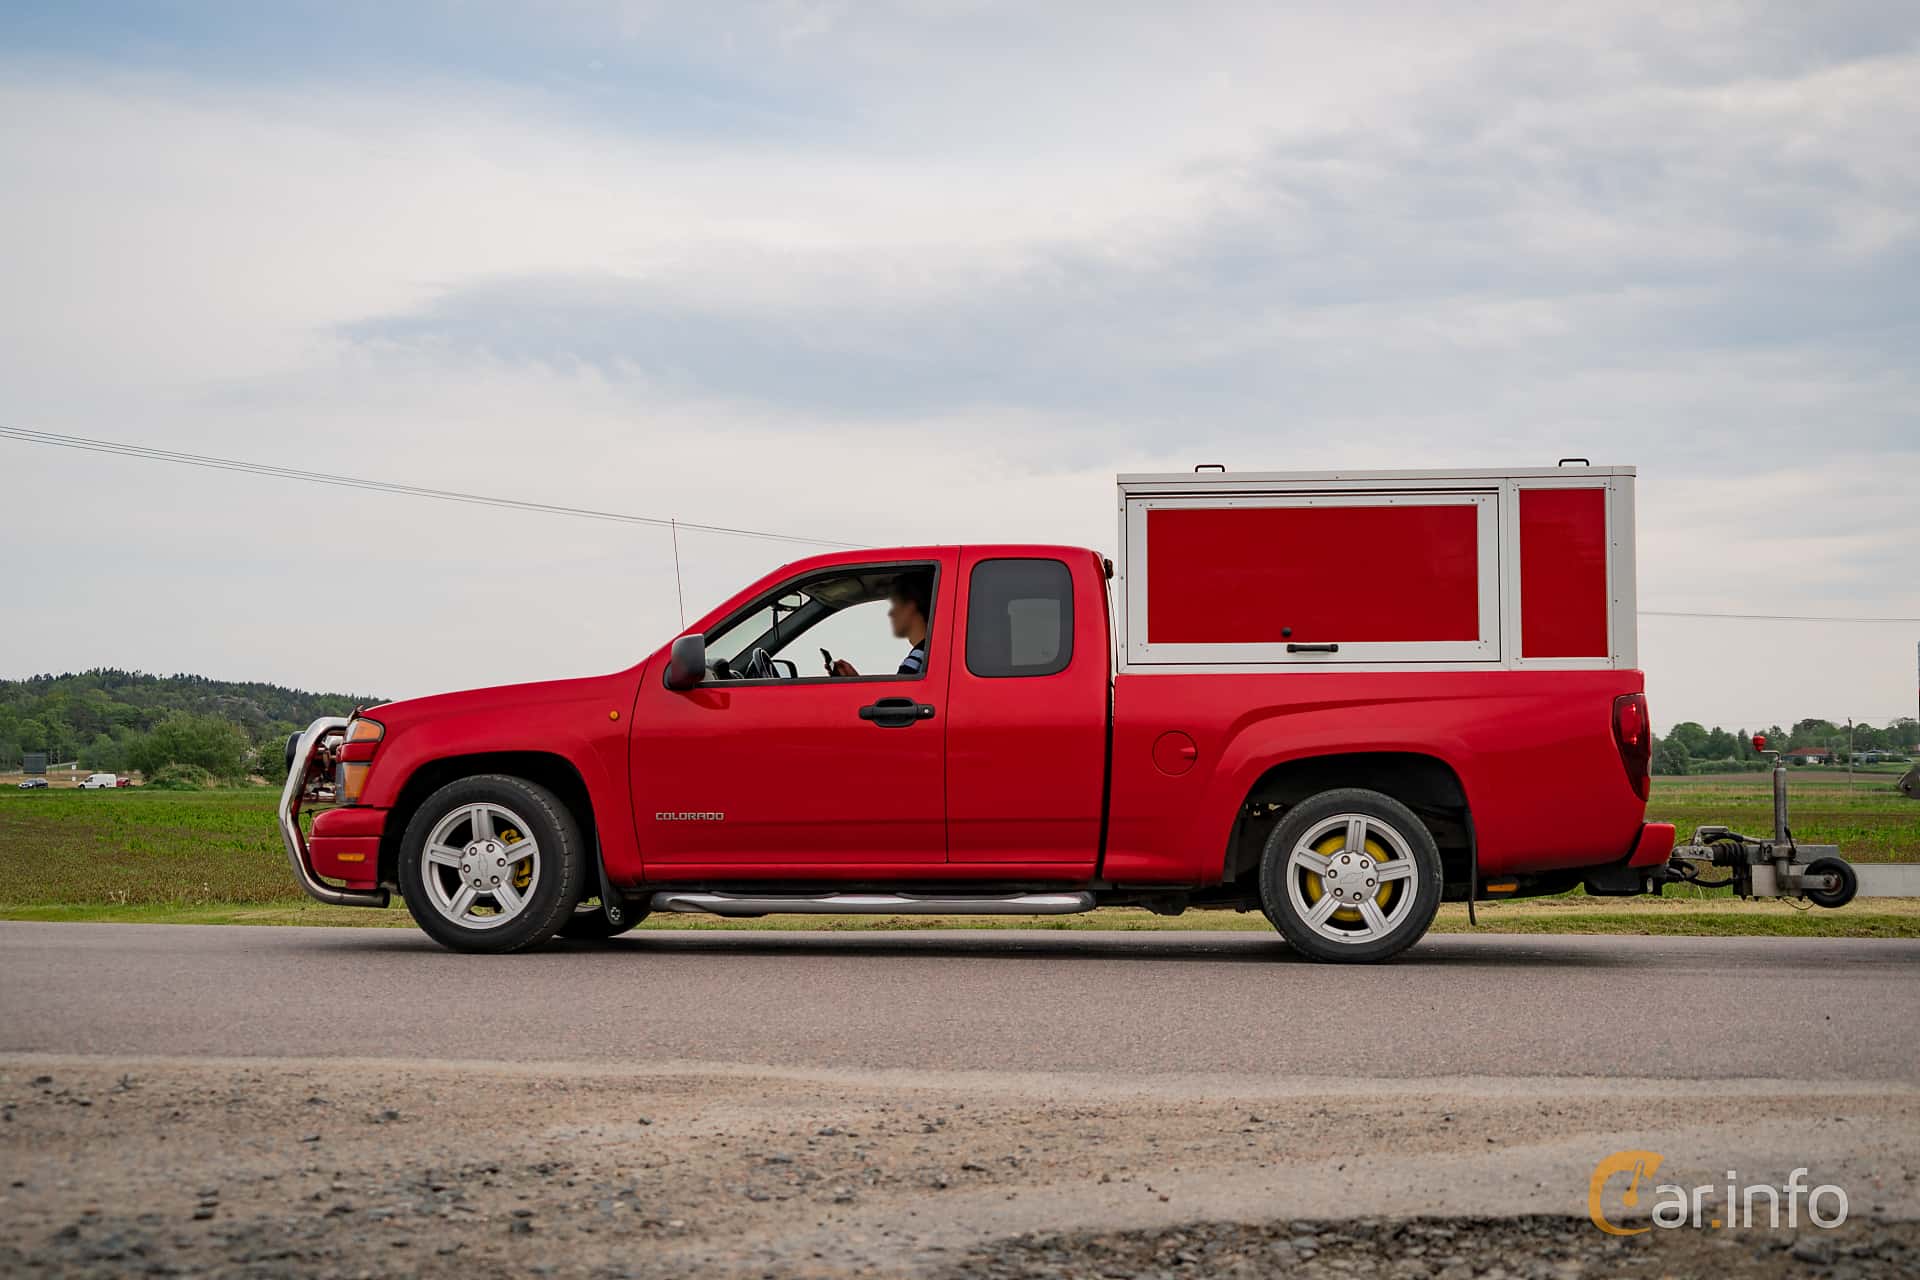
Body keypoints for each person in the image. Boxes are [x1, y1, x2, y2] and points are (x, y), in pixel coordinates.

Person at [833, 575, 930, 677]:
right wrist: (854, 681)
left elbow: (898, 693)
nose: (891, 613)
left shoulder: (919, 657)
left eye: (895, 604)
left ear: (910, 607)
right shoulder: (924, 656)